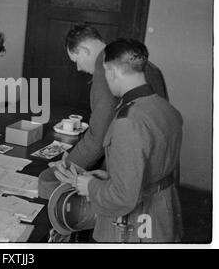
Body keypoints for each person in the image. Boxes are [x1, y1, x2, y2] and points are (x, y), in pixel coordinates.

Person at [53, 39, 184, 242]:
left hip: (136, 226)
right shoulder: (165, 108)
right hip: (162, 211)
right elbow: (154, 164)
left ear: (111, 72)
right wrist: (108, 175)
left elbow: (123, 197)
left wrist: (91, 187)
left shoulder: (128, 120)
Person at [38, 25, 168, 199]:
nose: (78, 68)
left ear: (84, 50)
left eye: (76, 60)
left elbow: (99, 136)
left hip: (127, 169)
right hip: (157, 168)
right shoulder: (145, 65)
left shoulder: (105, 69)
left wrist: (68, 166)